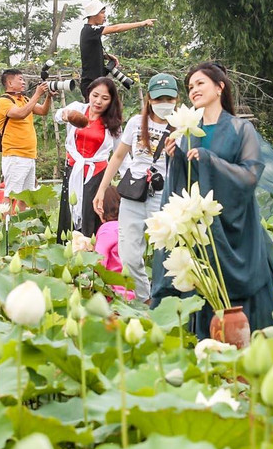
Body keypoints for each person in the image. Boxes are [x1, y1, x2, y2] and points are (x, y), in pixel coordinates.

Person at [151, 62, 273, 333]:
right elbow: (184, 183)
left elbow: (250, 175)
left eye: (200, 83)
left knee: (242, 292)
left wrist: (211, 161)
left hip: (237, 226)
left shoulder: (240, 129)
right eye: (190, 87)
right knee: (203, 283)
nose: (193, 90)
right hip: (201, 228)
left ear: (220, 86)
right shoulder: (187, 132)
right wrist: (174, 157)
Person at [94, 73, 179, 298]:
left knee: (168, 254)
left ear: (176, 99)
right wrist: (102, 189)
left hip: (164, 196)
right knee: (129, 256)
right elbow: (118, 156)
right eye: (159, 99)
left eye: (169, 100)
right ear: (150, 99)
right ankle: (145, 302)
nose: (164, 104)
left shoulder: (182, 125)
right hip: (133, 195)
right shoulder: (135, 122)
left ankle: (168, 301)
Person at [54, 77, 122, 240]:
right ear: (88, 93)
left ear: (111, 100)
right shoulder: (77, 108)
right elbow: (57, 115)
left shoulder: (113, 124)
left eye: (105, 98)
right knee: (68, 212)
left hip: (96, 174)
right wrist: (65, 115)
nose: (98, 101)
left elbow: (120, 154)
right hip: (73, 169)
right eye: (95, 95)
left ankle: (91, 253)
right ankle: (67, 251)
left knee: (91, 213)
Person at [0, 69, 52, 210]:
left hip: (29, 155)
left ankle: (23, 229)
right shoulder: (4, 101)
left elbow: (43, 111)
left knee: (25, 198)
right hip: (15, 155)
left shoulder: (25, 99)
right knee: (11, 195)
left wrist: (48, 97)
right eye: (20, 79)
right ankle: (6, 228)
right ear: (9, 82)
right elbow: (20, 113)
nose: (23, 82)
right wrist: (37, 94)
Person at [78, 0, 155, 99]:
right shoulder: (90, 30)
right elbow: (116, 28)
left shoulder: (90, 32)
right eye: (102, 13)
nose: (104, 16)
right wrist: (142, 23)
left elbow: (88, 52)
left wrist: (105, 56)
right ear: (94, 15)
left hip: (97, 82)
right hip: (91, 84)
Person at [92, 185, 132, 300]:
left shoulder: (107, 230)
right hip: (134, 292)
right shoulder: (128, 227)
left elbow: (99, 262)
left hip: (115, 296)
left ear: (101, 208)